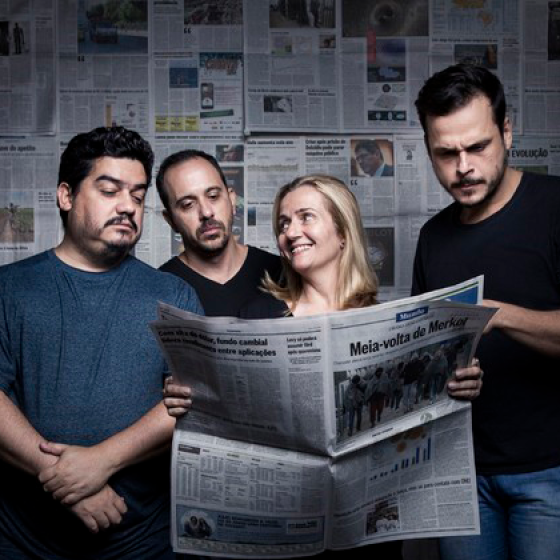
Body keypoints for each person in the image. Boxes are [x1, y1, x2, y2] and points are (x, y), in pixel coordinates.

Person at [164, 174, 483, 559]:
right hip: (285, 530)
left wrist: (458, 385)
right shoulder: (258, 315)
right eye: (284, 223)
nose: (290, 232)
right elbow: (228, 417)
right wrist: (189, 397)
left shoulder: (387, 322)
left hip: (365, 534)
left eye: (305, 217)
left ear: (343, 232)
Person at [0, 126, 203, 559]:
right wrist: (69, 480)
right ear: (66, 196)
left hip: (141, 542)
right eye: (110, 190)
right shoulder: (7, 289)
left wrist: (103, 460)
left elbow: (190, 403)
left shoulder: (175, 295)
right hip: (22, 540)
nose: (128, 206)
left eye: (138, 196)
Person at [412, 63, 560, 560]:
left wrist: (497, 314)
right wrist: (446, 375)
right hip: (462, 473)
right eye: (446, 153)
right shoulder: (433, 237)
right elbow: (426, 351)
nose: (463, 167)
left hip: (549, 471)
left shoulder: (554, 207)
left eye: (477, 147)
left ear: (507, 132)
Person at [156, 149, 282, 317]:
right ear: (171, 220)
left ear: (232, 200)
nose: (206, 212)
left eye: (213, 196)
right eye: (188, 204)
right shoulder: (159, 289)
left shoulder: (283, 273)